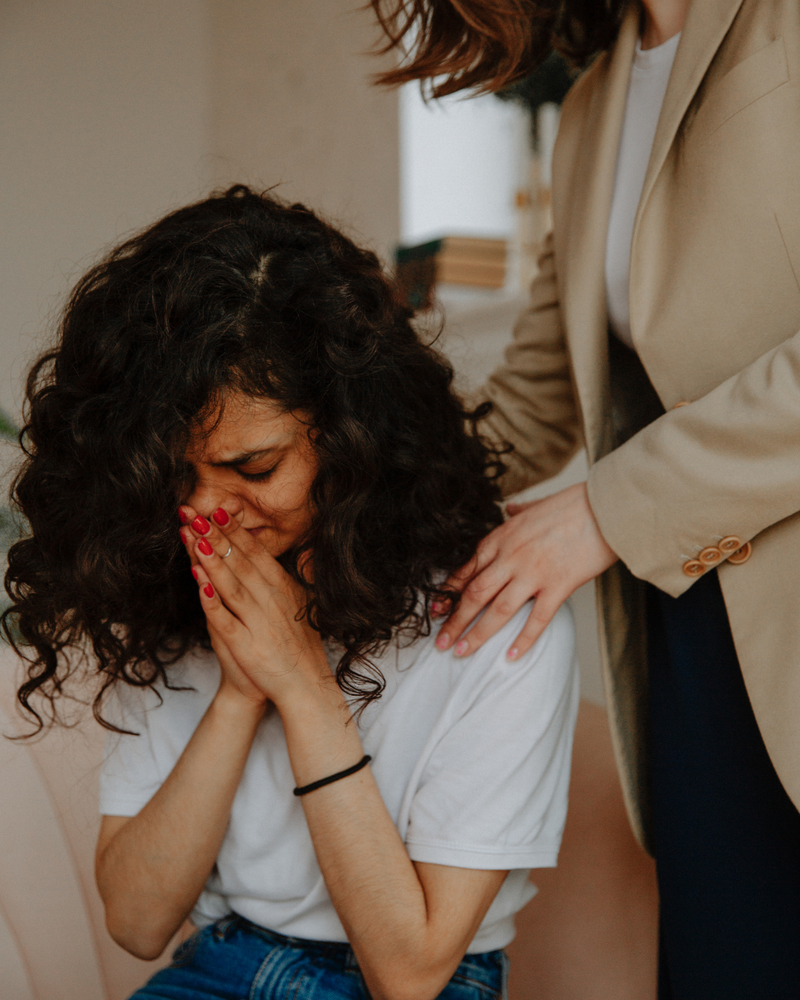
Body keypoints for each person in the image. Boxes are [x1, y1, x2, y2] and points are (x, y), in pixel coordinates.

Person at [3, 187, 579, 1000]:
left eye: (254, 467)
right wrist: (241, 694)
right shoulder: (172, 593)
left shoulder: (493, 612)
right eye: (175, 478)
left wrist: (303, 684)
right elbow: (136, 922)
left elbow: (410, 972)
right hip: (219, 966)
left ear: (351, 439)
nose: (208, 512)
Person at [370, 0, 800, 996]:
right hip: (690, 634)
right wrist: (338, 487)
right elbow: (534, 400)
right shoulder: (592, 107)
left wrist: (604, 512)